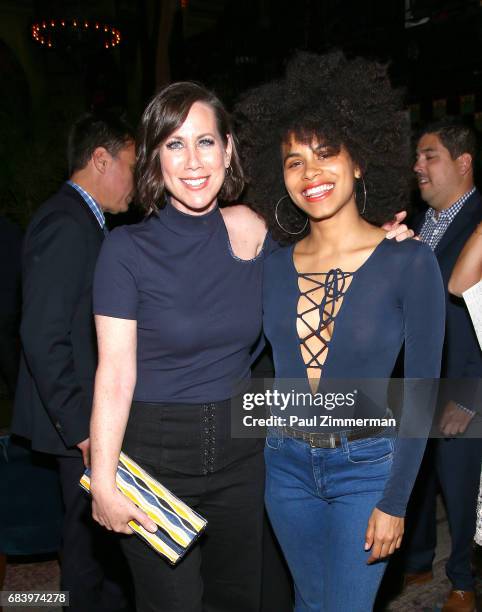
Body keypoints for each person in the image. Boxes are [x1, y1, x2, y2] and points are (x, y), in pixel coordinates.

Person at [88, 80, 413, 612]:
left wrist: (386, 243)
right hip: (155, 461)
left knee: (238, 601)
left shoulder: (254, 231)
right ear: (155, 158)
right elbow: (114, 373)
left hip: (245, 459)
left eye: (206, 142)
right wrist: (103, 479)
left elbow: (326, 256)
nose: (192, 160)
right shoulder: (124, 251)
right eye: (174, 144)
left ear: (229, 150)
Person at [235, 51, 446, 611]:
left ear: (359, 162)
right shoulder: (273, 266)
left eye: (327, 154)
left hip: (367, 470)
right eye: (295, 161)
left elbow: (423, 391)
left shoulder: (409, 262)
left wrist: (397, 501)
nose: (312, 173)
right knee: (310, 604)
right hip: (285, 469)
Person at [12, 112, 136, 612]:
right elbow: (42, 334)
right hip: (80, 424)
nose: (137, 177)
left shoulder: (84, 220)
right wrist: (83, 428)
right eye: (131, 162)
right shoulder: (66, 222)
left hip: (85, 417)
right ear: (100, 158)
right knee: (87, 555)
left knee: (99, 550)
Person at [403, 120, 482, 612]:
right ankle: (416, 560)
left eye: (429, 155)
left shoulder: (479, 221)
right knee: (415, 474)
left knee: (461, 484)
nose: (418, 166)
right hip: (418, 379)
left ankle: (463, 583)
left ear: (463, 162)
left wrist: (471, 394)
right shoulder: (421, 223)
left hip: (462, 382)